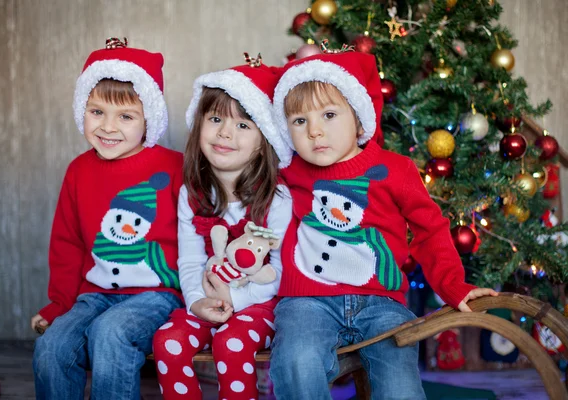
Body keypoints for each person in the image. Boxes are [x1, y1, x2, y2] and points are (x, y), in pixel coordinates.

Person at [268, 50, 497, 399]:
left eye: (329, 115)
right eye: (299, 121)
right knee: (295, 361)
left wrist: (453, 285)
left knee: (399, 383)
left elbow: (430, 230)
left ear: (360, 120)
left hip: (381, 302)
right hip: (307, 300)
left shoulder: (396, 170)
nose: (314, 131)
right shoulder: (289, 172)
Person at [31, 38, 184, 400]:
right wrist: (59, 304)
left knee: (111, 332)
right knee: (53, 347)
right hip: (94, 295)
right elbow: (67, 244)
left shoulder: (175, 167)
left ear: (150, 118)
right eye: (96, 112)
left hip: (158, 295)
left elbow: (201, 231)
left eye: (126, 116)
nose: (108, 127)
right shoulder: (79, 171)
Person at [152, 58, 292, 400]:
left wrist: (237, 298)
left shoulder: (277, 197)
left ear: (264, 139)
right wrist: (198, 302)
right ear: (200, 125)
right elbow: (188, 260)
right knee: (167, 343)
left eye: (243, 125)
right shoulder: (193, 193)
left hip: (262, 304)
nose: (225, 133)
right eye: (215, 119)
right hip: (209, 298)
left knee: (231, 344)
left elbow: (281, 272)